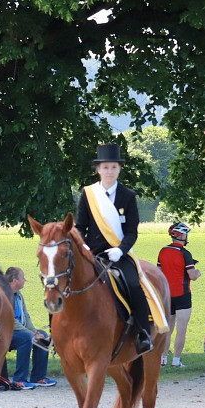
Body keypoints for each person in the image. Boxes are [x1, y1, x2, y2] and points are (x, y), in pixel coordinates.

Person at [75, 143, 155, 354]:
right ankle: (56, 335)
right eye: (105, 167)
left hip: (119, 254)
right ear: (98, 170)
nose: (109, 171)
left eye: (113, 167)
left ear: (119, 169)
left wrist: (121, 249)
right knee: (64, 280)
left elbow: (132, 231)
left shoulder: (128, 196)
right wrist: (82, 245)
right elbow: (80, 226)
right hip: (92, 254)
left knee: (133, 285)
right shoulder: (88, 194)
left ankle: (143, 333)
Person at [0, 267, 56, 390]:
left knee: (44, 336)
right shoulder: (4, 294)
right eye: (23, 278)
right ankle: (19, 380)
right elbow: (10, 320)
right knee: (27, 338)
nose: (25, 280)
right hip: (5, 334)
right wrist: (31, 334)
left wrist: (36, 332)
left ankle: (38, 377)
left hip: (20, 332)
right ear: (15, 280)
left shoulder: (19, 296)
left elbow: (26, 316)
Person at [157, 222, 201, 367]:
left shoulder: (162, 251)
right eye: (186, 234)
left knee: (167, 329)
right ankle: (176, 361)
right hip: (182, 295)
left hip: (166, 296)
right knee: (181, 329)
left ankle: (163, 359)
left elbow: (158, 273)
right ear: (181, 235)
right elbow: (192, 276)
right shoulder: (185, 254)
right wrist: (198, 273)